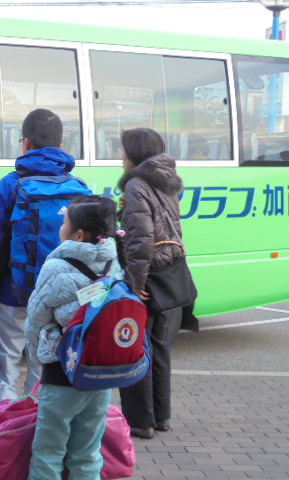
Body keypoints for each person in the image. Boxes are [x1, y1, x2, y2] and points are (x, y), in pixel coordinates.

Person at [0, 108, 78, 410]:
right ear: (61, 144)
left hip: (13, 294)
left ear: (27, 143)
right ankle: (36, 434)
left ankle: (3, 435)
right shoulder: (78, 187)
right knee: (41, 373)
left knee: (5, 372)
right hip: (57, 298)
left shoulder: (10, 184)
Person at [25, 195, 121, 480]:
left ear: (78, 235)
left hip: (62, 371)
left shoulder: (56, 266)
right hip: (101, 372)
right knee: (88, 453)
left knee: (48, 451)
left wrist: (37, 355)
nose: (61, 226)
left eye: (64, 221)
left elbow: (35, 319)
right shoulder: (113, 262)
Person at [117, 127, 184, 439]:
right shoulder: (166, 182)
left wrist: (135, 283)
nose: (121, 155)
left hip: (147, 277)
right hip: (168, 272)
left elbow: (141, 241)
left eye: (124, 149)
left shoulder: (136, 185)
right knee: (159, 347)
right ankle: (161, 416)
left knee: (134, 347)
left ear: (137, 152)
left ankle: (140, 421)